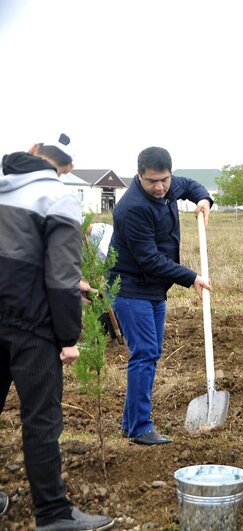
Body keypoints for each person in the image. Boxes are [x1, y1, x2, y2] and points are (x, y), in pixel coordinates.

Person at [1, 137, 114, 529]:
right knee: (41, 420)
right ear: (60, 168)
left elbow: (18, 257)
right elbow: (61, 277)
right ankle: (53, 515)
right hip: (31, 327)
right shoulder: (56, 197)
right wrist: (68, 338)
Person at [109, 146, 213, 446]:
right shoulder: (131, 209)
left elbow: (191, 186)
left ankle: (130, 424)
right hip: (130, 288)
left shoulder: (168, 188)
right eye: (152, 181)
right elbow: (150, 260)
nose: (159, 187)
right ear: (139, 175)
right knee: (144, 354)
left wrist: (203, 200)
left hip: (154, 290)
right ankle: (140, 427)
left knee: (150, 353)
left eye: (164, 180)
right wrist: (191, 277)